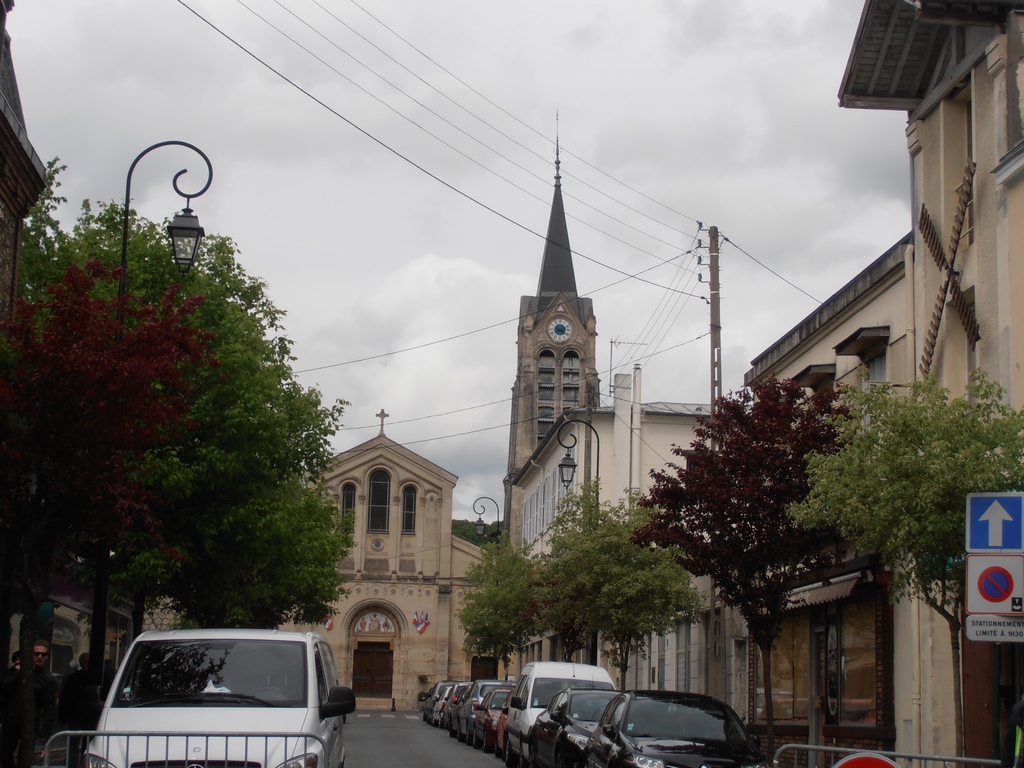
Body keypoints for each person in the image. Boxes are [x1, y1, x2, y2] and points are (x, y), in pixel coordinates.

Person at [0, 640, 59, 768]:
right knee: (4, 755)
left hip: (31, 723)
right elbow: (4, 687)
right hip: (11, 719)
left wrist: (45, 733)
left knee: (25, 760)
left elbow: (50, 707)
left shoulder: (48, 679)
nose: (39, 657)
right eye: (36, 653)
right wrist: (17, 672)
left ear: (47, 656)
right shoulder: (18, 668)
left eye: (43, 655)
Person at [58, 653, 91, 768]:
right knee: (73, 745)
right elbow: (66, 698)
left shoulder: (100, 677)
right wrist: (62, 717)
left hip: (91, 718)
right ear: (81, 663)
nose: (88, 664)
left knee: (89, 746)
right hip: (76, 717)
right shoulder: (73, 678)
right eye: (86, 661)